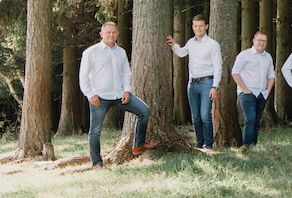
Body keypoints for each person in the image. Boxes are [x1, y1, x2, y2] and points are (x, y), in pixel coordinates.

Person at [79, 22, 158, 168]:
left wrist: (127, 90)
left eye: (114, 32)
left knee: (144, 111)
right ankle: (96, 162)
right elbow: (83, 76)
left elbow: (126, 73)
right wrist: (90, 95)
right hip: (99, 98)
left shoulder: (121, 52)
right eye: (108, 32)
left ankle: (138, 145)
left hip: (119, 95)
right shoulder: (91, 52)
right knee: (95, 131)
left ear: (117, 34)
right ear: (102, 34)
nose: (111, 35)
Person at [166, 15, 222, 149]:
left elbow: (218, 66)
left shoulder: (213, 44)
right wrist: (174, 45)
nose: (198, 29)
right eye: (196, 26)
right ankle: (199, 144)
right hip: (192, 84)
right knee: (195, 117)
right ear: (193, 27)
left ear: (206, 26)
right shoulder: (191, 42)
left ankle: (208, 144)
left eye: (201, 26)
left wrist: (215, 86)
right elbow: (181, 53)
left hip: (207, 83)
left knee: (205, 116)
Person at [233, 31, 276, 147]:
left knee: (257, 121)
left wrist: (268, 91)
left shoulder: (268, 57)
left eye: (264, 41)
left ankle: (254, 145)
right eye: (259, 40)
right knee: (250, 119)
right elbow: (235, 73)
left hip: (262, 93)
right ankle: (246, 145)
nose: (261, 43)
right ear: (253, 40)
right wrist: (245, 89)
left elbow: (271, 75)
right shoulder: (244, 55)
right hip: (247, 93)